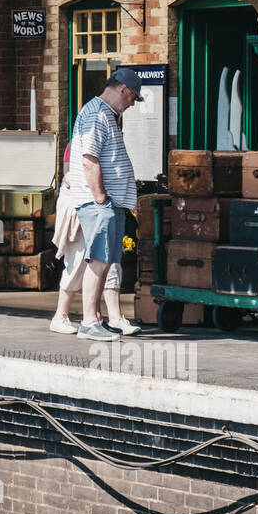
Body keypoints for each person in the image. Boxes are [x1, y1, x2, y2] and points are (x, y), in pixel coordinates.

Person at [67, 69, 144, 340]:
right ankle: (89, 322)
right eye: (133, 97)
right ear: (123, 90)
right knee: (98, 261)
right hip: (98, 202)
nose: (132, 103)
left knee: (105, 261)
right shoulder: (96, 114)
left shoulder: (106, 115)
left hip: (108, 202)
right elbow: (89, 159)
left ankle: (96, 319)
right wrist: (101, 199)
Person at [51, 140, 130, 336]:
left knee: (109, 262)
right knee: (77, 261)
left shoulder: (108, 145)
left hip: (100, 207)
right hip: (81, 206)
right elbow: (69, 178)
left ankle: (114, 317)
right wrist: (98, 192)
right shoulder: (78, 144)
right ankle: (60, 315)